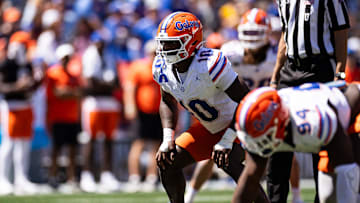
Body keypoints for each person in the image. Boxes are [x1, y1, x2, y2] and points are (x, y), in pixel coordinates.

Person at [153, 11, 268, 203]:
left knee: (228, 160)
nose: (165, 48)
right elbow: (167, 100)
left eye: (172, 43)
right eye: (163, 42)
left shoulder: (209, 64)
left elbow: (245, 100)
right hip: (209, 127)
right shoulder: (161, 66)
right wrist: (167, 139)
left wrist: (228, 139)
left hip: (238, 125)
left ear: (191, 42)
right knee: (168, 161)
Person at [185, 8, 276, 203]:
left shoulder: (276, 55)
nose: (252, 38)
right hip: (232, 109)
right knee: (211, 154)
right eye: (248, 32)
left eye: (256, 33)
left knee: (280, 151)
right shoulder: (229, 52)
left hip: (261, 110)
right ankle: (190, 196)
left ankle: (296, 196)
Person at [268, 0, 350, 202]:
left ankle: (321, 199)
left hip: (319, 69)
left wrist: (339, 74)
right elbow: (286, 36)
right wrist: (274, 78)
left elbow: (341, 33)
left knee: (320, 140)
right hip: (290, 70)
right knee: (278, 143)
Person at [233, 82, 360, 203]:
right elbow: (249, 181)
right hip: (331, 132)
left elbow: (347, 167)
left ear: (281, 124)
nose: (256, 146)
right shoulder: (267, 124)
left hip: (353, 115)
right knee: (328, 198)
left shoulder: (312, 122)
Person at [0, 31, 43, 195]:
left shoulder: (28, 64)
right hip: (11, 106)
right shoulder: (6, 64)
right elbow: (2, 87)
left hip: (26, 105)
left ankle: (21, 178)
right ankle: (3, 179)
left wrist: (37, 82)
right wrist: (18, 86)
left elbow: (32, 86)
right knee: (9, 143)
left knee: (24, 143)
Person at [80, 31, 121, 193]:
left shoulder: (109, 55)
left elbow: (116, 82)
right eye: (98, 42)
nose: (100, 45)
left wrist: (105, 84)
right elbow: (90, 83)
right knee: (90, 138)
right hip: (94, 102)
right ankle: (87, 175)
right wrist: (107, 85)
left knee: (109, 139)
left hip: (109, 101)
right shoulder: (89, 56)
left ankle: (106, 174)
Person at [123, 39, 162, 193]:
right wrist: (130, 106)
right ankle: (134, 176)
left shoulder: (162, 67)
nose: (154, 55)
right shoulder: (138, 67)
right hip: (142, 111)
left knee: (155, 145)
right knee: (138, 143)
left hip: (158, 111)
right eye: (152, 53)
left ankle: (151, 177)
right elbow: (130, 88)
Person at [46, 44, 82, 192]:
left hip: (72, 117)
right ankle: (53, 177)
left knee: (73, 150)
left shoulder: (73, 75)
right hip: (58, 117)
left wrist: (69, 93)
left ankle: (71, 178)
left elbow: (78, 93)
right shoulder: (53, 73)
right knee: (57, 149)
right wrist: (72, 93)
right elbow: (58, 93)